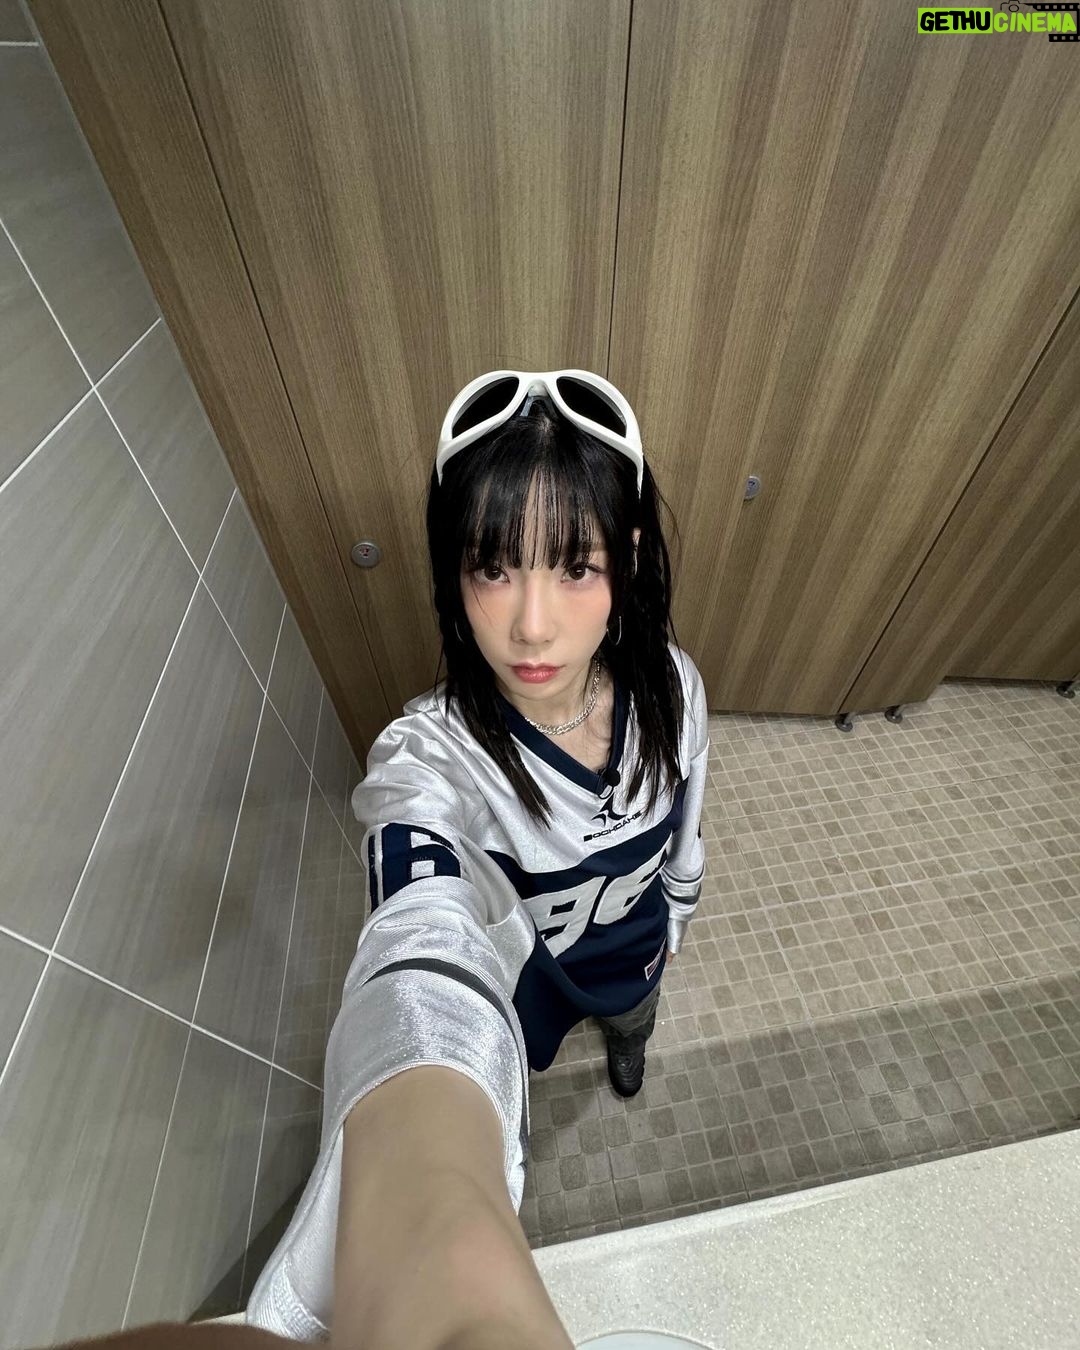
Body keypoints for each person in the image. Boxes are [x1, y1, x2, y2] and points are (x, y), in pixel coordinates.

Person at [243, 369, 710, 1340]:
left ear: (627, 562)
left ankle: (628, 1042)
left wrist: (679, 899)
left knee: (633, 1019)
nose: (532, 623)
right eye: (493, 567)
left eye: (575, 567)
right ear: (453, 574)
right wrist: (434, 1247)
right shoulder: (431, 757)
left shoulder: (671, 685)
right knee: (525, 1068)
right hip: (522, 990)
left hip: (633, 953)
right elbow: (416, 950)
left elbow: (690, 808)